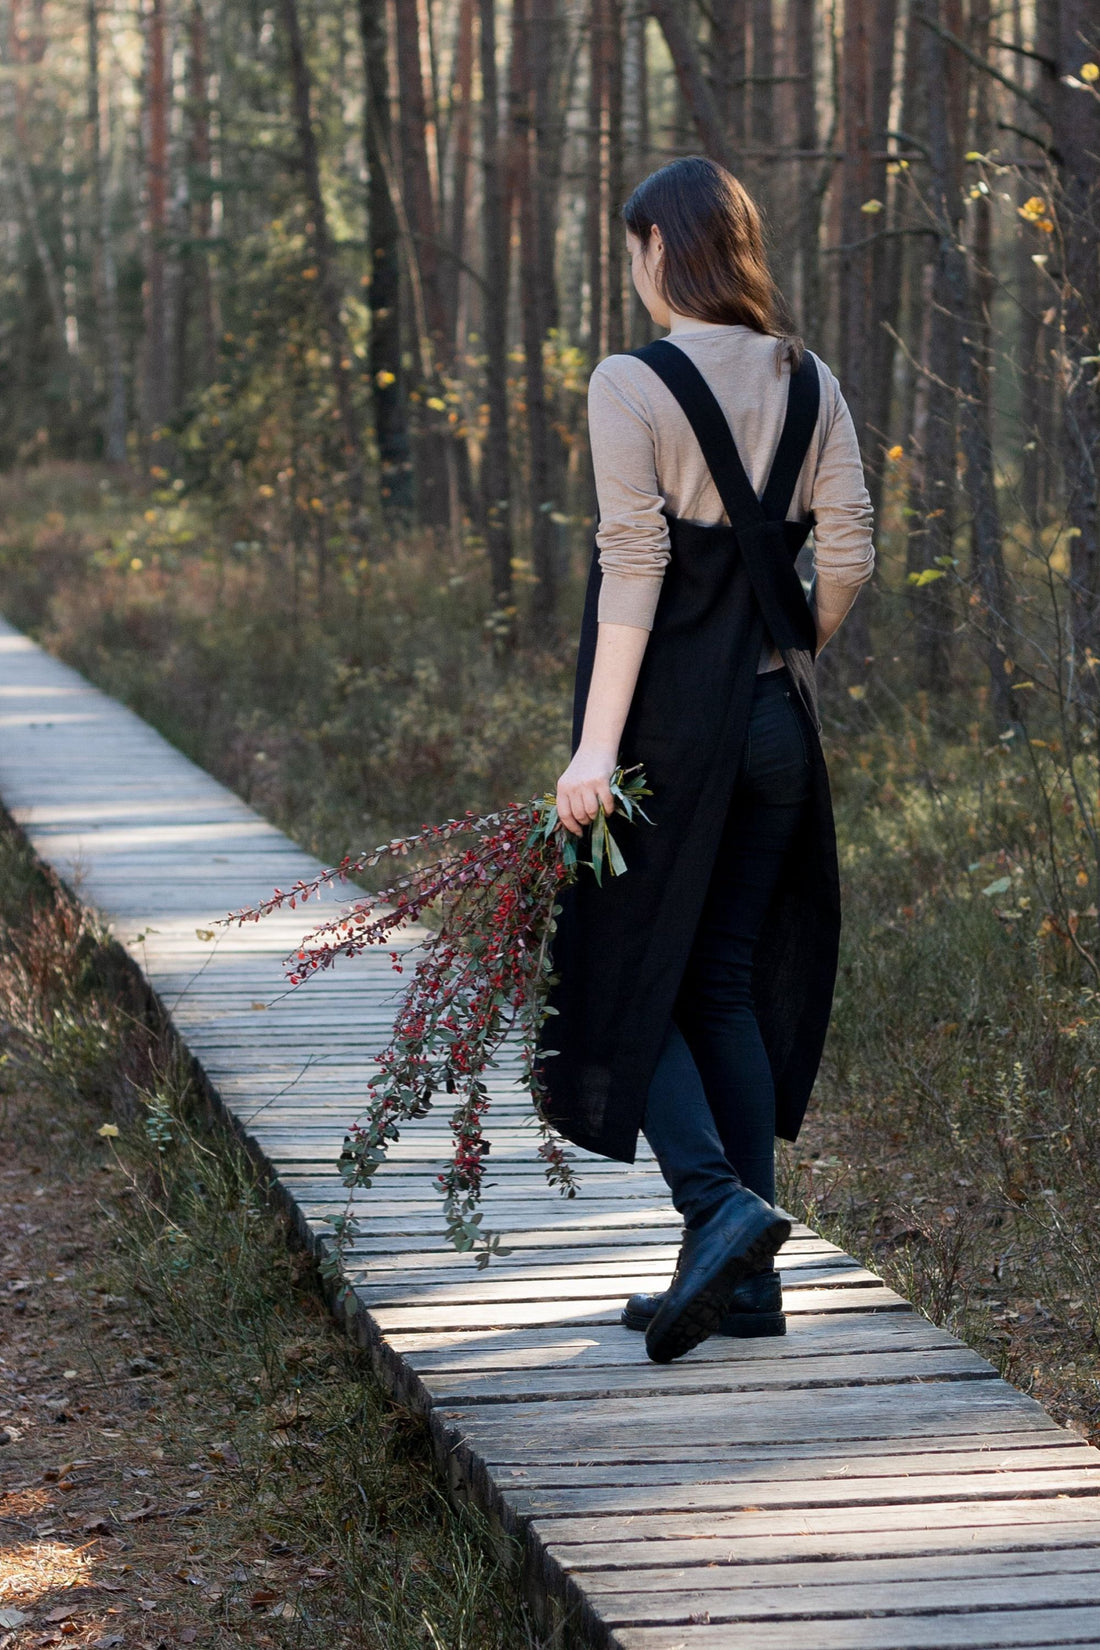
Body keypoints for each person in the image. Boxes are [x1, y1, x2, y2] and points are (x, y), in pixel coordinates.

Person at [539, 155, 875, 1365]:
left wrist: (592, 748)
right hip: (777, 725)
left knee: (615, 968)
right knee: (719, 978)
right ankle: (743, 1286)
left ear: (656, 249)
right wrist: (792, 647)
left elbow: (631, 567)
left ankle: (715, 1208)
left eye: (635, 250)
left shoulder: (630, 383)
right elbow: (848, 552)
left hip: (667, 739)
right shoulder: (810, 378)